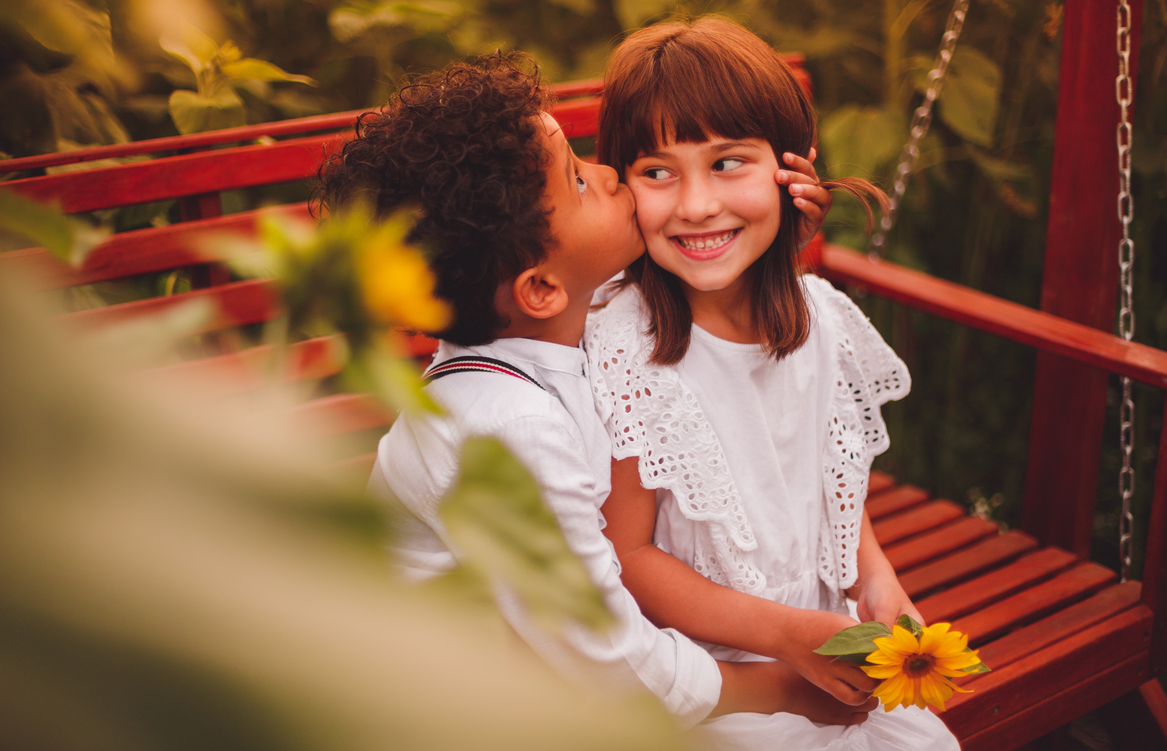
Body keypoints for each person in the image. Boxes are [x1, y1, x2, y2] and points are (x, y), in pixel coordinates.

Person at [317, 55, 863, 729]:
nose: (610, 176)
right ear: (541, 288)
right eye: (579, 180)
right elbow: (606, 654)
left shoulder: (536, 328)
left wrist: (776, 240)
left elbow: (684, 286)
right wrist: (773, 685)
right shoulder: (507, 433)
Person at [586, 18, 961, 749]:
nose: (695, 205)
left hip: (826, 647)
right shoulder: (628, 344)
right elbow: (627, 556)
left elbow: (834, 486)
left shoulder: (821, 319)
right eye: (659, 172)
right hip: (705, 680)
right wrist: (785, 636)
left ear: (795, 171)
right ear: (624, 186)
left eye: (728, 163)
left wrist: (877, 585)